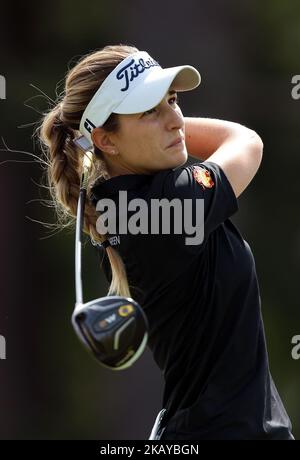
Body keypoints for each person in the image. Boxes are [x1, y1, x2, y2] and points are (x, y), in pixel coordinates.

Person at [38, 44, 294, 440]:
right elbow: (246, 142)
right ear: (107, 140)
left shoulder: (120, 204)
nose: (176, 119)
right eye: (149, 111)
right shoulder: (168, 205)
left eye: (172, 100)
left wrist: (151, 120)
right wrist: (164, 124)